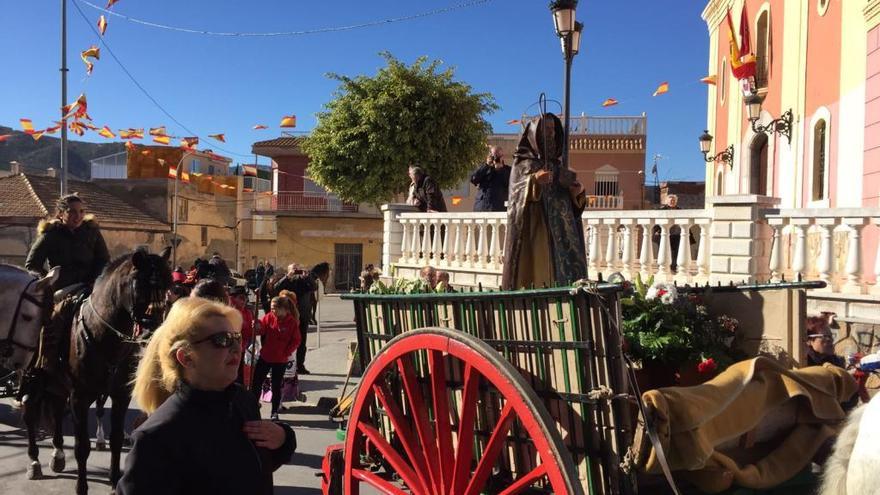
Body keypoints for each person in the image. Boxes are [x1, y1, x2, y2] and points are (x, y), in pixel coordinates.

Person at [117, 298, 295, 495]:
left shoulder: (243, 401)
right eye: (222, 340)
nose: (236, 348)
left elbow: (251, 471)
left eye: (236, 337)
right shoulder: (156, 439)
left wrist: (283, 438)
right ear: (186, 357)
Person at [501, 113, 588, 290]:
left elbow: (572, 208)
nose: (551, 134)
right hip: (536, 230)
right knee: (539, 277)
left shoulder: (559, 166)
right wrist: (534, 181)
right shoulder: (523, 164)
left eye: (553, 130)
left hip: (562, 234)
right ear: (536, 133)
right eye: (546, 129)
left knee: (565, 277)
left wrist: (576, 193)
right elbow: (515, 195)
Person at [25, 193, 110, 291]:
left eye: (81, 211)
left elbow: (103, 259)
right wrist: (48, 280)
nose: (78, 216)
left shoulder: (92, 232)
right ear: (61, 213)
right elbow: (32, 265)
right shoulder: (50, 235)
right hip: (61, 290)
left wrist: (94, 279)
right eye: (72, 212)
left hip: (90, 287)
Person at [250, 294, 300, 420]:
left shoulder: (292, 322)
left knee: (276, 386)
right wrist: (257, 326)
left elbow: (296, 340)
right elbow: (262, 330)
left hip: (280, 359)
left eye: (274, 308)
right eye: (271, 308)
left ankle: (274, 412)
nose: (272, 311)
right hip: (266, 356)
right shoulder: (269, 317)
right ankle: (253, 408)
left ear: (284, 309)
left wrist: (286, 352)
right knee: (256, 383)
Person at [274, 262, 330, 375]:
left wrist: (307, 277)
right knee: (285, 341)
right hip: (287, 317)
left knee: (301, 342)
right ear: (288, 270)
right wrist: (288, 276)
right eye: (293, 270)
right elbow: (276, 288)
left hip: (303, 316)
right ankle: (284, 365)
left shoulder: (304, 280)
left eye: (297, 269)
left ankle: (300, 365)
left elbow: (314, 287)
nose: (296, 272)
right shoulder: (286, 281)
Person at [229, 286, 257, 386]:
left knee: (241, 378)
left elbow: (250, 332)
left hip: (243, 350)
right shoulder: (227, 313)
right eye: (241, 297)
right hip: (228, 351)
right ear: (232, 298)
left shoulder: (248, 313)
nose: (244, 300)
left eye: (245, 298)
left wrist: (257, 327)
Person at [471, 146, 512, 212]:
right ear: (489, 156)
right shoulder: (484, 168)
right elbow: (474, 179)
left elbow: (510, 184)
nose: (496, 159)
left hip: (499, 209)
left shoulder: (508, 170)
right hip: (482, 208)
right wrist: (486, 165)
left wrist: (501, 170)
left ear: (503, 157)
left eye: (498, 156)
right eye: (494, 156)